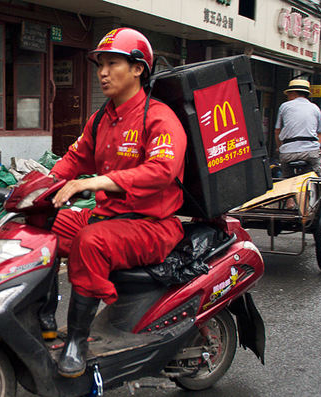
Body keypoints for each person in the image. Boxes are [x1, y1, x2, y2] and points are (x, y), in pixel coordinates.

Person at [48, 27, 187, 378]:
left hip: (151, 225)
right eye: (100, 65)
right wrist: (34, 188)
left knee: (90, 243)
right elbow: (72, 161)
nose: (103, 73)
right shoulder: (101, 119)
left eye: (113, 64)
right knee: (43, 227)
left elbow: (161, 170)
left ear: (138, 68)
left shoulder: (159, 117)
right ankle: (44, 318)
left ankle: (77, 341)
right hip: (106, 216)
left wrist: (97, 182)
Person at [274, 79, 321, 177]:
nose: (288, 97)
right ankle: (314, 190)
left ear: (294, 93)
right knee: (314, 177)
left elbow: (277, 131)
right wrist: (317, 147)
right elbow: (320, 132)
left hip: (288, 152)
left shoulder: (284, 106)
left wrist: (279, 147)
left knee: (286, 178)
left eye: (288, 94)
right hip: (310, 152)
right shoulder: (315, 108)